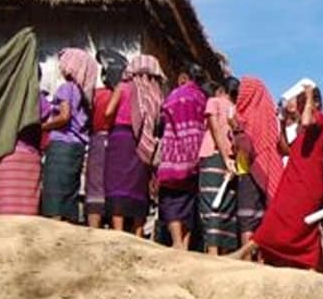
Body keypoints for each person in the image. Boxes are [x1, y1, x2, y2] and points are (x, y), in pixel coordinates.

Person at [238, 84, 323, 270]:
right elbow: (285, 149)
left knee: (300, 225)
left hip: (306, 183)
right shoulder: (304, 129)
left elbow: (306, 121)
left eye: (303, 102)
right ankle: (247, 253)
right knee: (277, 217)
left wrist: (309, 96)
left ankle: (312, 266)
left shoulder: (320, 120)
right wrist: (280, 121)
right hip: (295, 180)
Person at [100, 54, 164, 234]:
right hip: (142, 142)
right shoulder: (156, 93)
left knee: (117, 182)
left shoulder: (123, 87)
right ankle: (138, 230)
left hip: (120, 138)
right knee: (138, 184)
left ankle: (118, 229)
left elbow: (108, 112)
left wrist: (111, 122)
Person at [39, 48, 97, 224]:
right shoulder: (85, 95)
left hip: (61, 146)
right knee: (69, 193)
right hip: (77, 147)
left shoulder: (65, 88)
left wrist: (44, 126)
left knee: (54, 192)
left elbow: (64, 116)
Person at [156, 70, 209, 249]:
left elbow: (162, 120)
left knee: (171, 197)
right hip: (195, 153)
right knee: (188, 198)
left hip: (173, 153)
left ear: (183, 77)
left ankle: (176, 241)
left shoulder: (174, 95)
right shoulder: (201, 98)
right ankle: (185, 244)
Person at [234, 75, 282, 247]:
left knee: (247, 218)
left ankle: (247, 256)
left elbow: (244, 146)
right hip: (268, 168)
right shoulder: (269, 115)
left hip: (247, 170)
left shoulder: (242, 116)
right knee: (262, 216)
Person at [84, 49, 126, 227]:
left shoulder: (96, 95)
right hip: (117, 142)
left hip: (97, 139)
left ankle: (93, 227)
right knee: (115, 183)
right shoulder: (123, 96)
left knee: (95, 183)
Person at [198, 77, 239, 254]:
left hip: (213, 154)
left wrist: (223, 155)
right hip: (232, 158)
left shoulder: (213, 101)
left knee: (211, 203)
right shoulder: (237, 109)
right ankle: (223, 252)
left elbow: (214, 128)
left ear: (222, 90)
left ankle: (212, 251)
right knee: (226, 206)